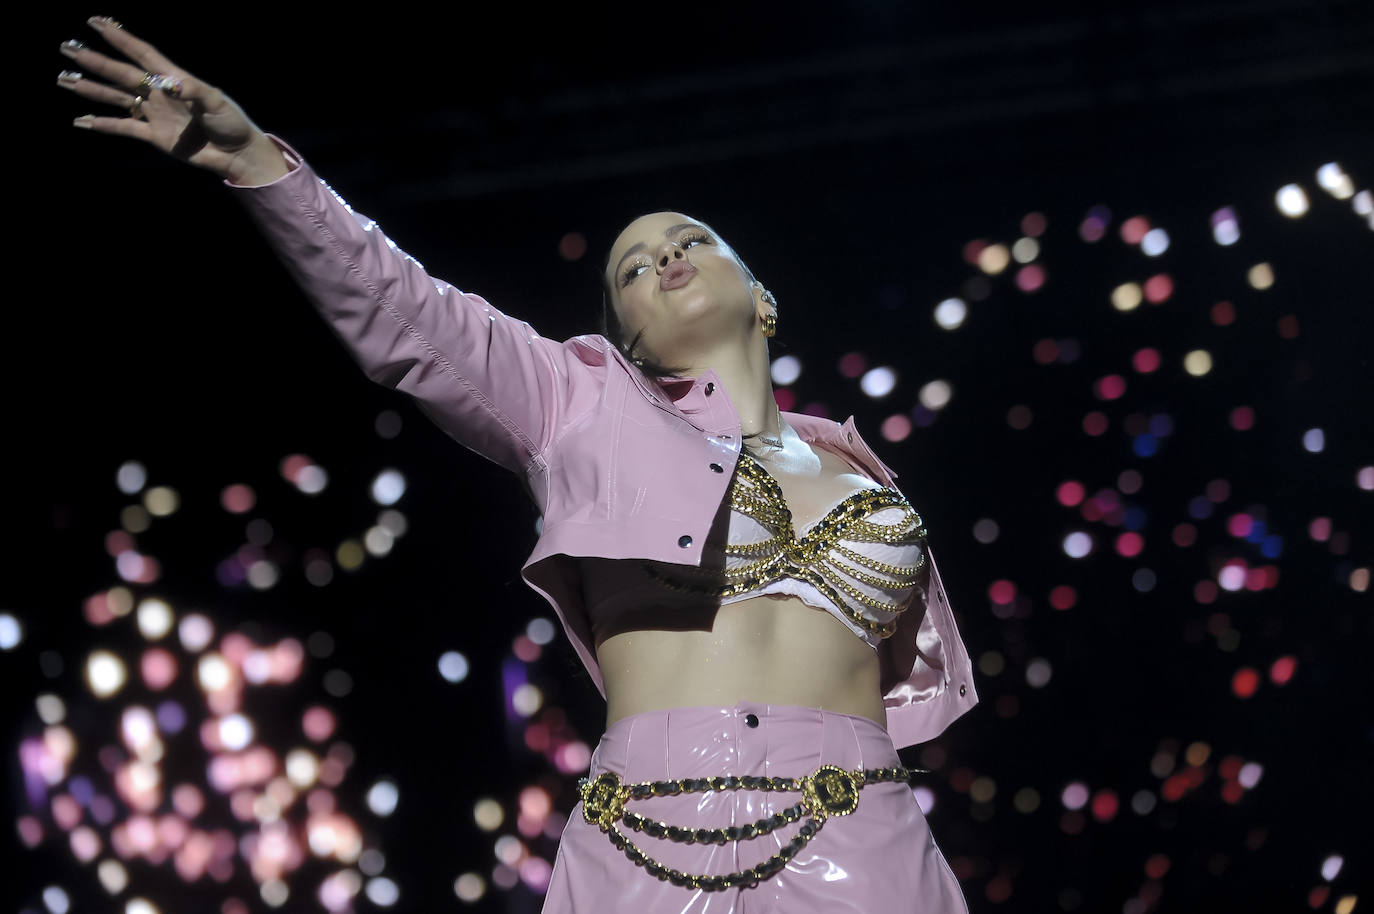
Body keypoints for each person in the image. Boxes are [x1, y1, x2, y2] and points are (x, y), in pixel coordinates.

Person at [59, 18, 979, 913]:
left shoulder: (861, 474)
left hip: (862, 836)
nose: (665, 259)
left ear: (762, 295)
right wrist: (261, 164)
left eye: (690, 240)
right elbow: (406, 312)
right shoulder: (577, 404)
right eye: (633, 268)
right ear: (630, 341)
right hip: (654, 845)